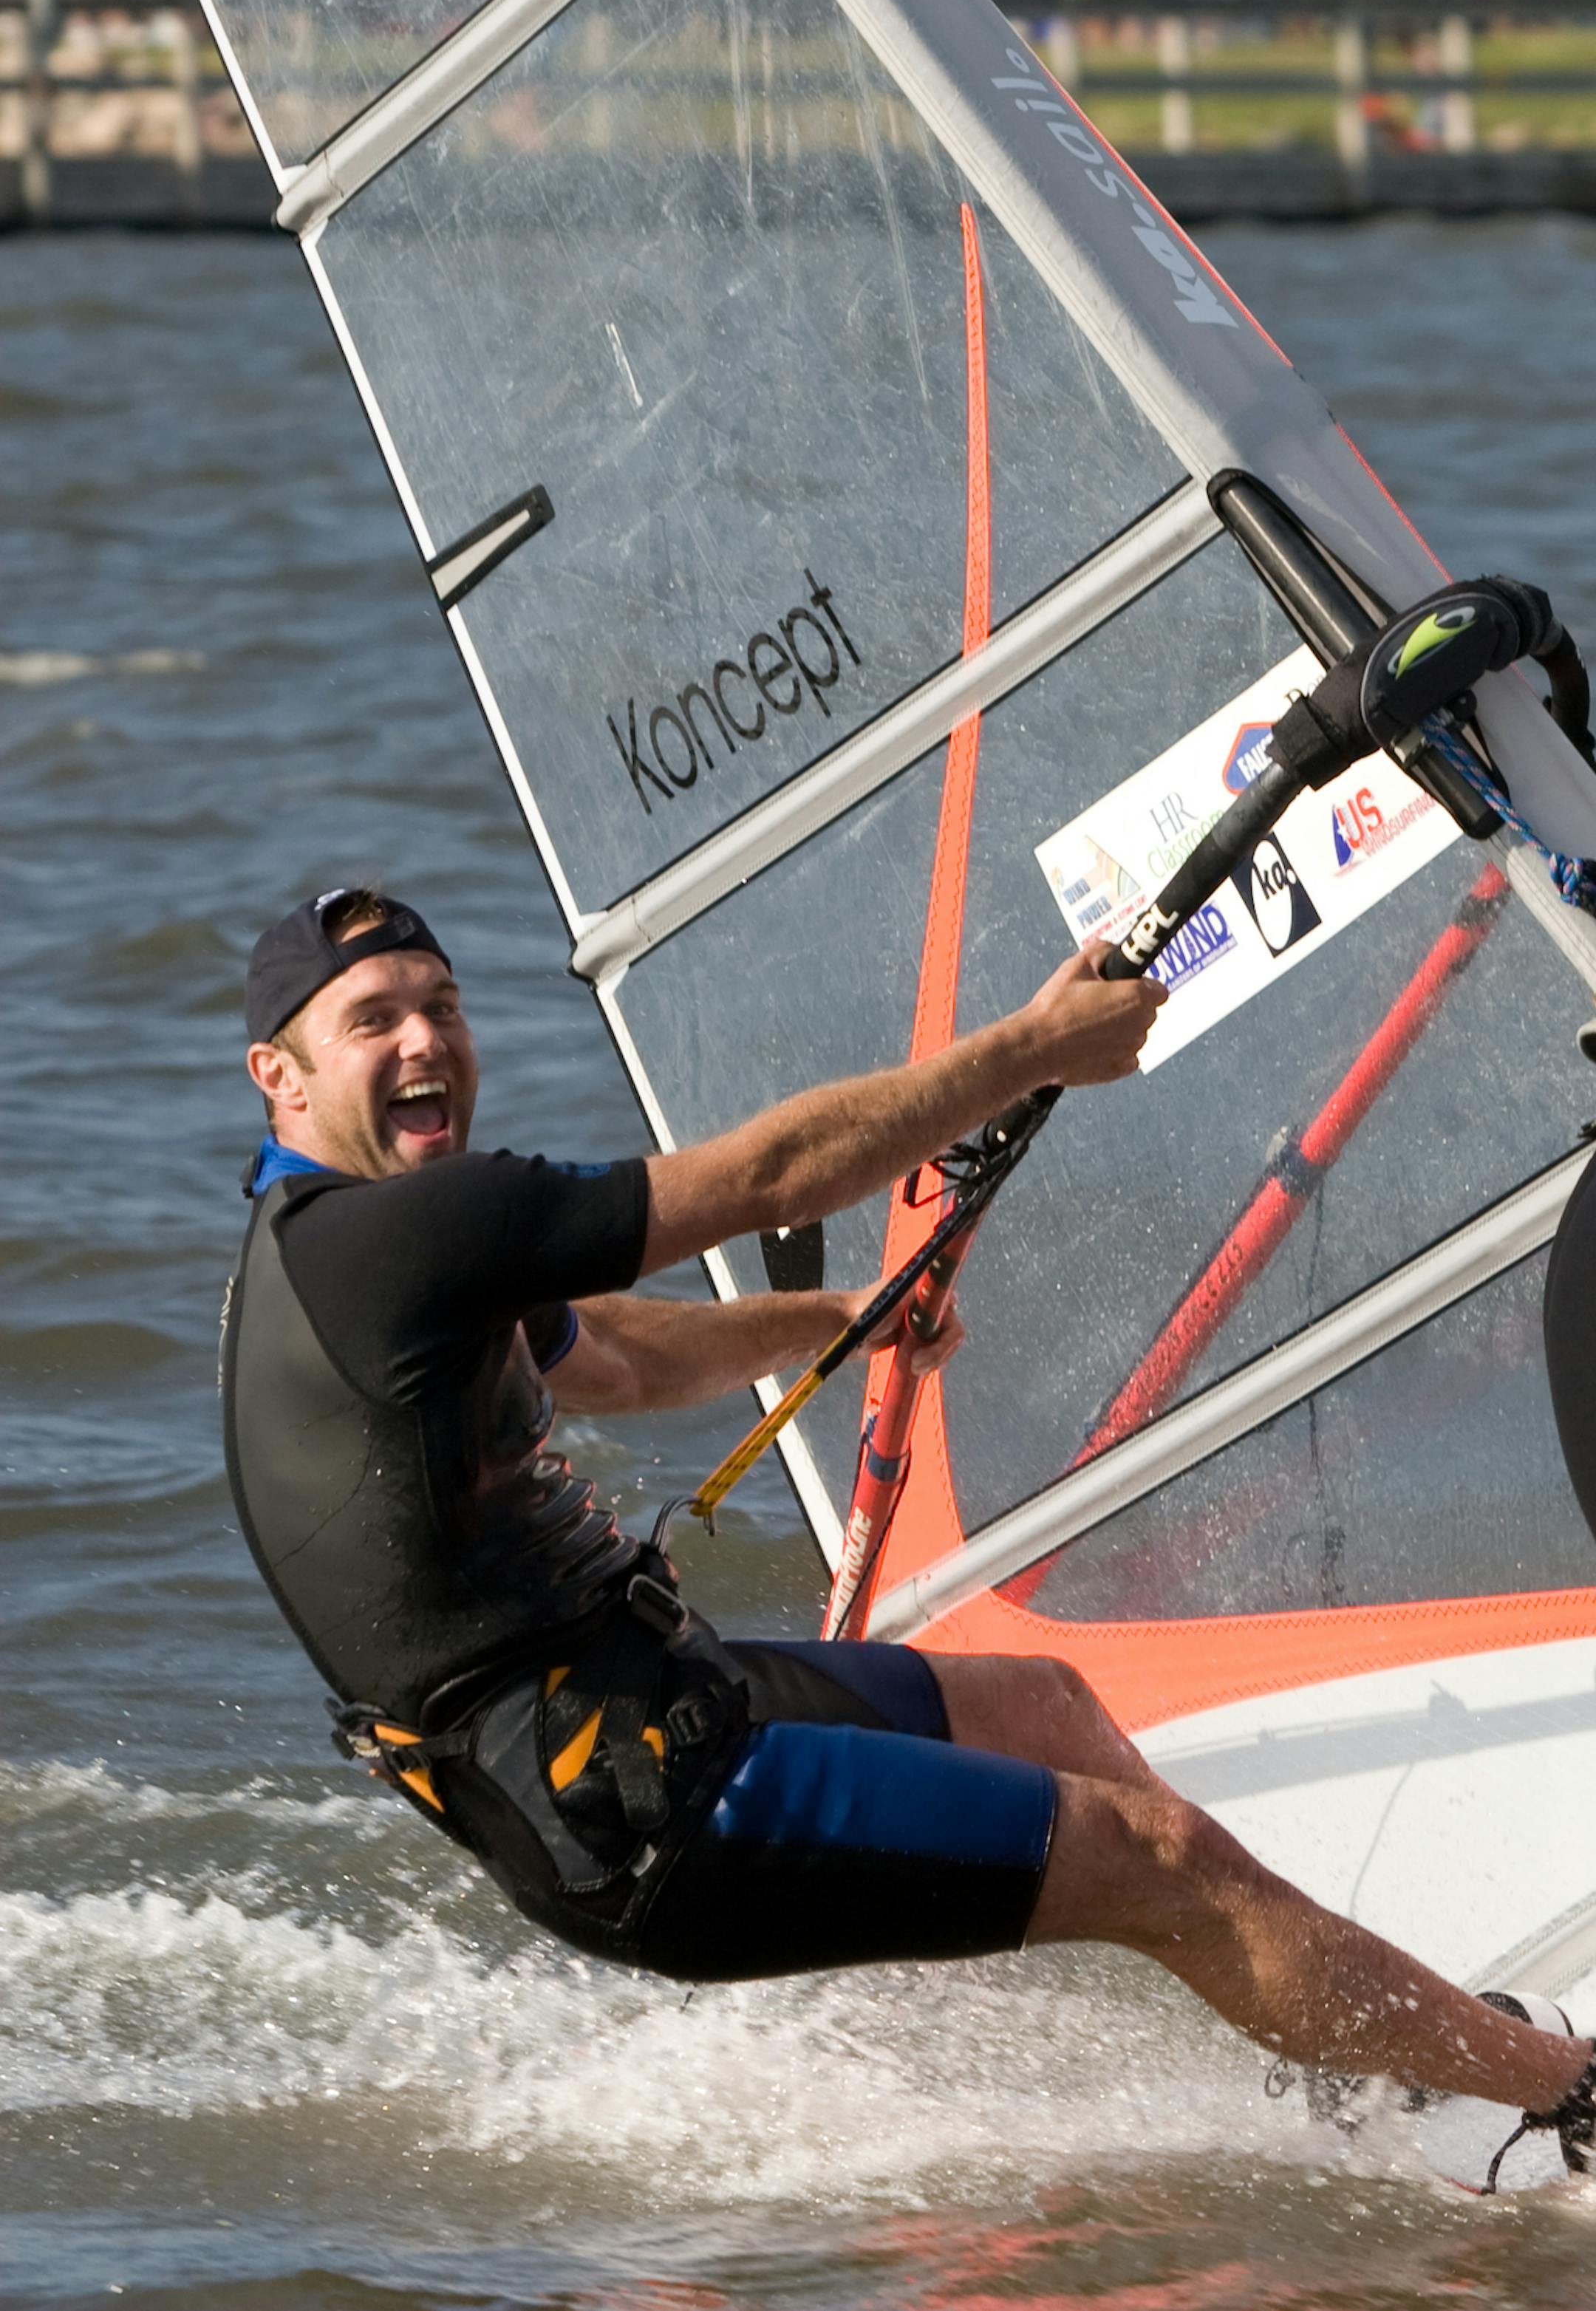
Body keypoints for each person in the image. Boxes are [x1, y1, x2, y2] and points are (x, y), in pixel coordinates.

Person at [222, 883, 1596, 2162]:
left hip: (660, 1704)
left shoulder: (368, 1257)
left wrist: (827, 1320)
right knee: (1146, 1853)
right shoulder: (394, 1243)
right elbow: (774, 1171)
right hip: (634, 1808)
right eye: (374, 1019)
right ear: (278, 1078)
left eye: (442, 1004)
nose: (426, 1040)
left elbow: (621, 1361)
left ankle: (1345, 2023)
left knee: (1048, 1703)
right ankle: (1569, 2093)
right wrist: (1032, 1046)